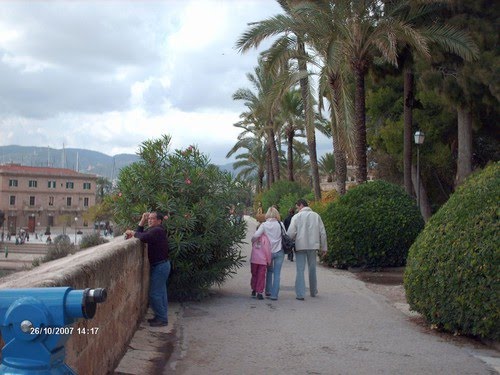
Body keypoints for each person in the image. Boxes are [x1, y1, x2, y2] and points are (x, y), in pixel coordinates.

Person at [125, 212, 170, 327]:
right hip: (161, 265)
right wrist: (142, 221)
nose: (150, 220)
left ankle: (162, 319)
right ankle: (161, 316)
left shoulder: (157, 230)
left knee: (155, 294)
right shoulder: (154, 230)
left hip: (160, 266)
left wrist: (133, 233)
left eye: (152, 219)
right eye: (149, 219)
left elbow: (143, 237)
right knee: (161, 293)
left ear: (159, 221)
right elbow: (141, 233)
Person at [287, 199, 327, 301]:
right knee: (312, 268)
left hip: (300, 246)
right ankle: (313, 291)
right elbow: (322, 232)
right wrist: (324, 247)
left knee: (300, 270)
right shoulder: (316, 216)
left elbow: (290, 233)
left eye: (297, 207)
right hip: (313, 246)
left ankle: (300, 294)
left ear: (300, 205)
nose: (297, 209)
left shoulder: (296, 217)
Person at [252, 206, 284, 300]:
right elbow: (285, 235)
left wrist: (253, 241)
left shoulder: (264, 225)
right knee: (277, 274)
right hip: (279, 251)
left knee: (269, 271)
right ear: (277, 214)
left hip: (267, 252)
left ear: (267, 214)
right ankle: (274, 295)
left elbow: (256, 235)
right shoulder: (280, 224)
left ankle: (268, 291)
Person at [250, 231, 271, 300]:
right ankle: (259, 292)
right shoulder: (265, 238)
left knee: (254, 275)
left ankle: (254, 289)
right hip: (262, 261)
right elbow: (267, 250)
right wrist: (269, 260)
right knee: (261, 276)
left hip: (254, 260)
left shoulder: (254, 238)